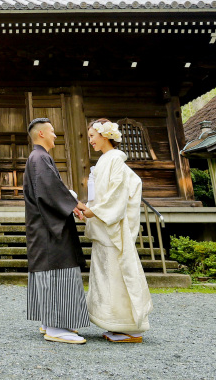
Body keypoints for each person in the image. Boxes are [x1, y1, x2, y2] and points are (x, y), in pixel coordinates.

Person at [81, 119, 153, 343]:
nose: (90, 140)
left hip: (111, 227)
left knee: (117, 276)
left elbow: (116, 195)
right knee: (107, 277)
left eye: (93, 135)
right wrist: (90, 209)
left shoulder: (114, 160)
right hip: (104, 225)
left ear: (105, 136)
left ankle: (131, 328)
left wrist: (94, 211)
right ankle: (116, 324)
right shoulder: (106, 160)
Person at [24, 117, 90, 344]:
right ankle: (54, 326)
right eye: (51, 131)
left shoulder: (39, 158)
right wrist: (73, 204)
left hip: (45, 226)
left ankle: (50, 322)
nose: (55, 135)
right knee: (55, 272)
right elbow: (50, 191)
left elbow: (53, 189)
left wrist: (70, 202)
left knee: (53, 272)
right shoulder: (39, 158)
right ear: (41, 134)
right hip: (48, 230)